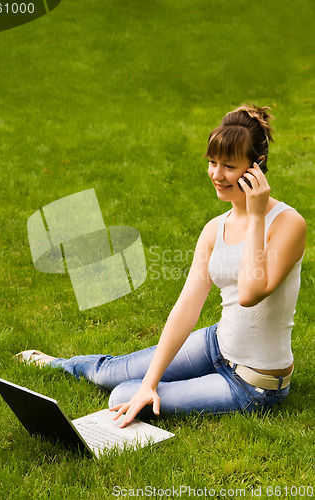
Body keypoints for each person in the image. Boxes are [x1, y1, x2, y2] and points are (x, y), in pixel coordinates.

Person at [16, 104, 306, 428]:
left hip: (252, 385)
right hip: (217, 344)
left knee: (121, 396)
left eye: (229, 165)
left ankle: (146, 385)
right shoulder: (215, 229)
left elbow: (251, 293)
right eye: (212, 163)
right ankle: (58, 365)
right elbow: (186, 308)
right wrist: (150, 382)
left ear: (257, 167)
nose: (216, 174)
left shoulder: (288, 225)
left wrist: (255, 216)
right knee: (111, 374)